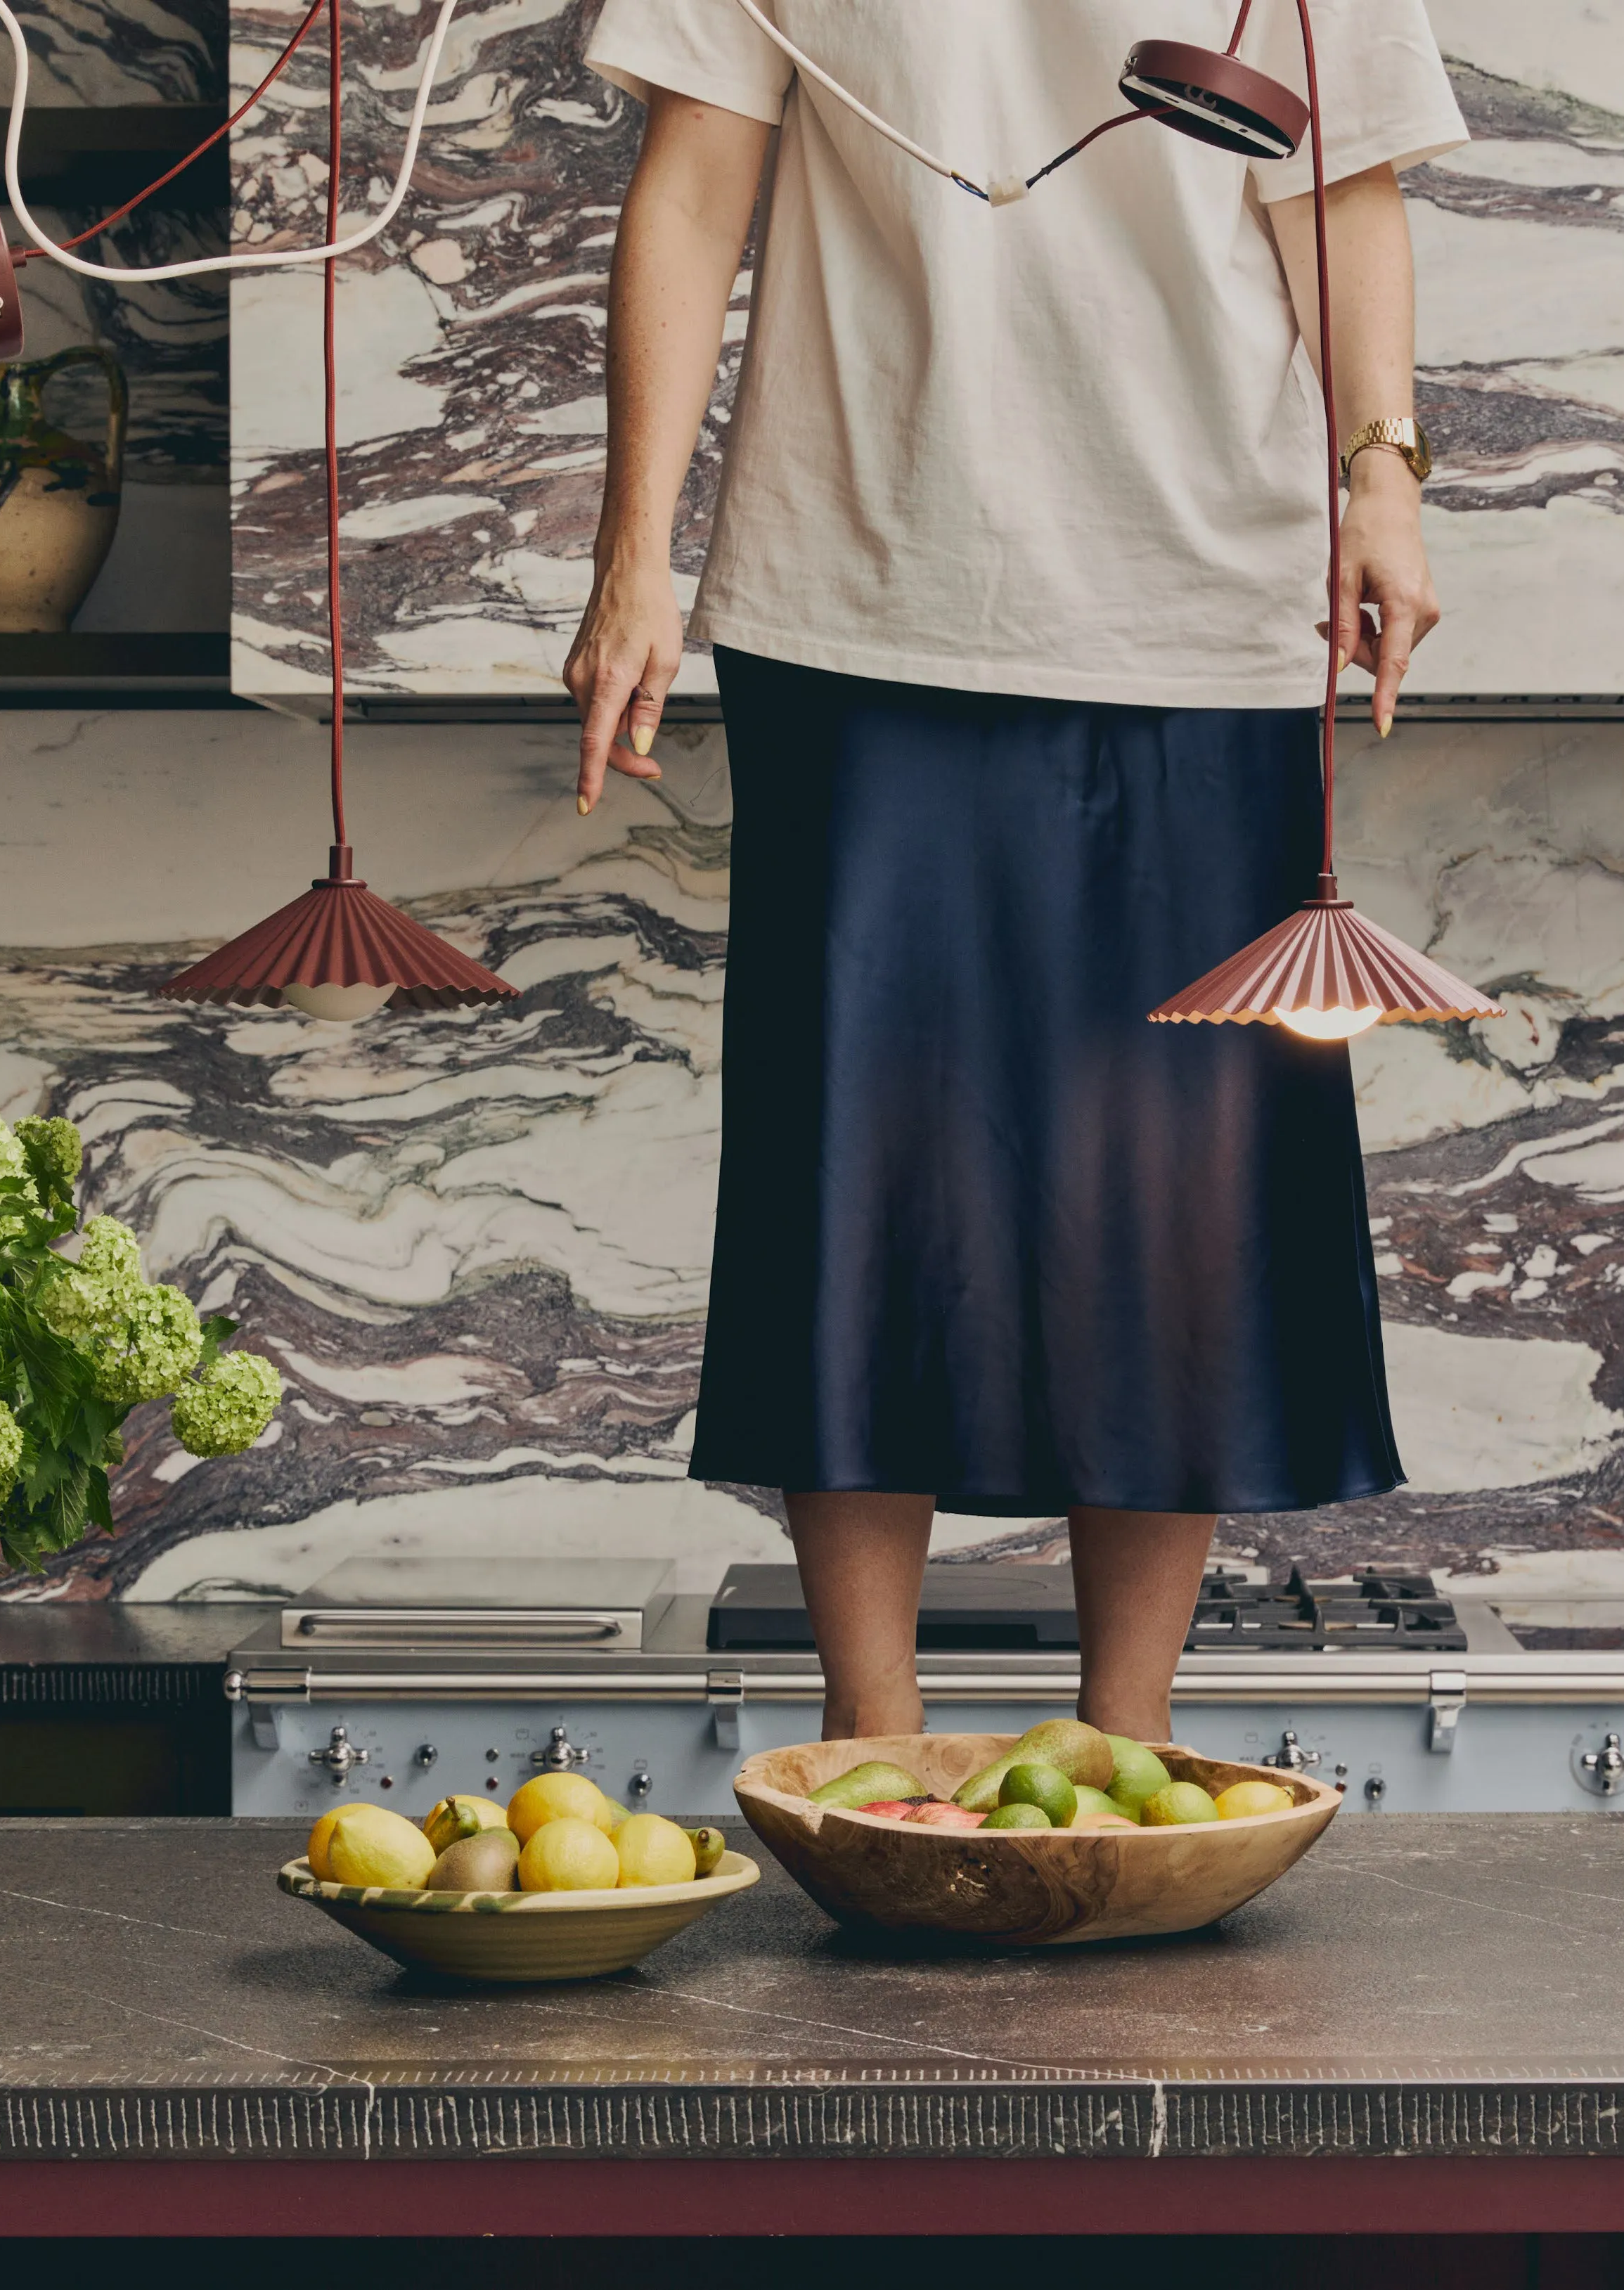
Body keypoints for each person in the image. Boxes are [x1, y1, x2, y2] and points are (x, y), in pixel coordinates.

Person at [569, 2, 1465, 1746]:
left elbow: (1340, 189)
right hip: (855, 576)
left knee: (1180, 1180)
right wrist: (631, 553)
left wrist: (1385, 479)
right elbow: (690, 188)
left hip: (1201, 600)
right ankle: (868, 1748)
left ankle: (1127, 1744)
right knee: (854, 1164)